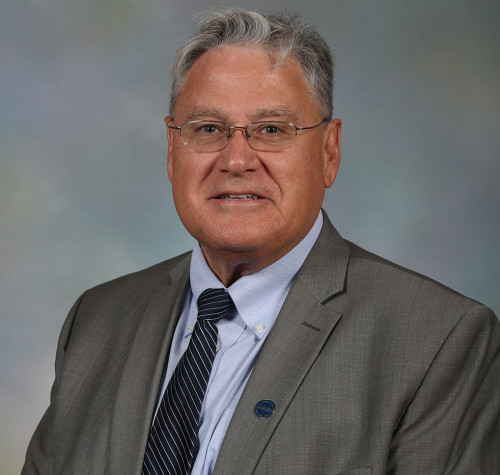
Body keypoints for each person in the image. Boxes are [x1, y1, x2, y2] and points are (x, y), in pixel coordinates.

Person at [23, 8, 499, 475]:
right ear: (172, 151)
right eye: (208, 129)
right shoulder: (96, 320)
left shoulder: (438, 339)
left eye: (272, 130)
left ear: (329, 152)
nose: (236, 160)